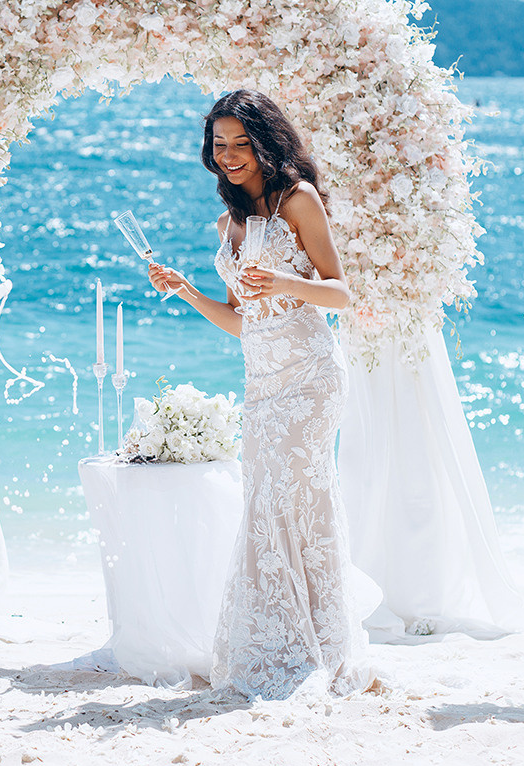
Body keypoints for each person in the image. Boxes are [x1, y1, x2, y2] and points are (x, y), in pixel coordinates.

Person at [147, 89, 374, 700]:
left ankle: (322, 644)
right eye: (219, 145)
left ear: (266, 143)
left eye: (241, 144)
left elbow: (340, 293)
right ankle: (278, 641)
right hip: (262, 382)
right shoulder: (228, 224)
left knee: (294, 500)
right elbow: (241, 320)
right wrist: (188, 291)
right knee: (266, 503)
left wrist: (285, 282)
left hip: (310, 378)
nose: (229, 156)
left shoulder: (298, 200)